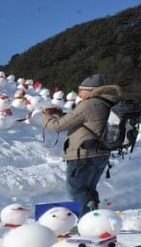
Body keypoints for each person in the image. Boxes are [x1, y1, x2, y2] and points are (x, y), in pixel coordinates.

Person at [42, 74, 120, 213]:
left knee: (77, 191)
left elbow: (57, 126)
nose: (79, 92)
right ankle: (95, 221)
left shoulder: (89, 104)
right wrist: (62, 114)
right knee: (89, 190)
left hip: (83, 154)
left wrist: (46, 116)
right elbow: (87, 120)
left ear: (91, 90)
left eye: (81, 89)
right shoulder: (108, 102)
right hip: (101, 153)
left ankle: (85, 223)